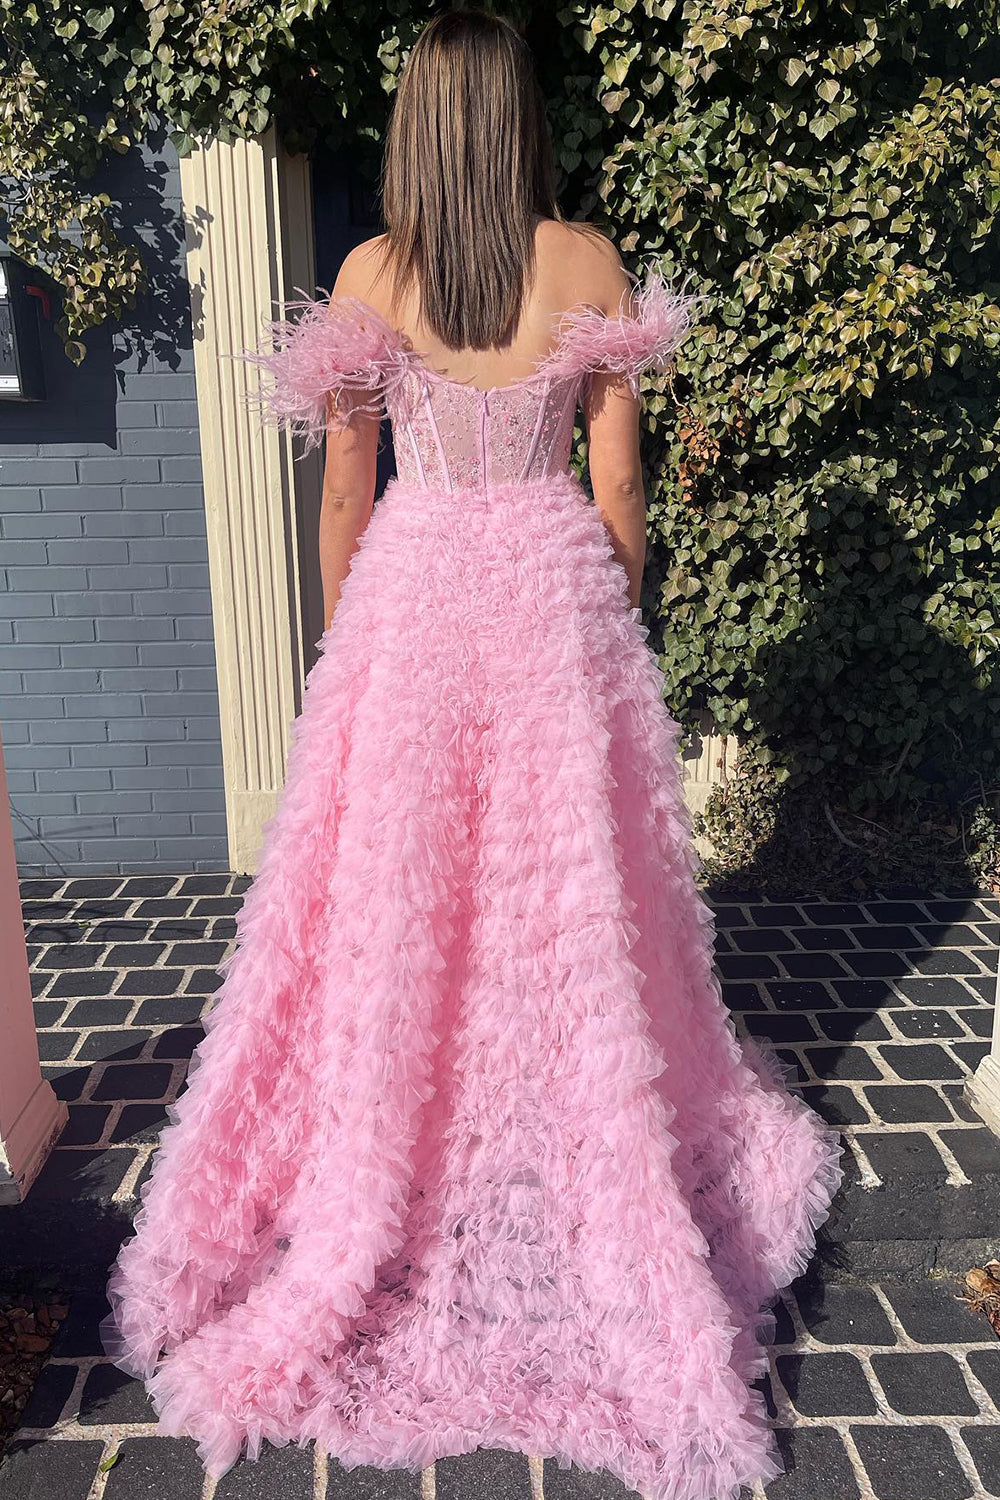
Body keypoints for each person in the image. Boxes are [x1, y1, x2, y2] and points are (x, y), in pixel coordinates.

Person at [99, 11, 842, 1498]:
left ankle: (410, 1140)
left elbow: (345, 492)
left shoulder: (373, 276)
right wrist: (597, 627)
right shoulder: (587, 265)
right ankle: (560, 1144)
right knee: (561, 911)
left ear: (419, 123)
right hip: (551, 603)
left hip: (419, 598)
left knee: (406, 892)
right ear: (520, 118)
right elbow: (618, 493)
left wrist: (350, 652)